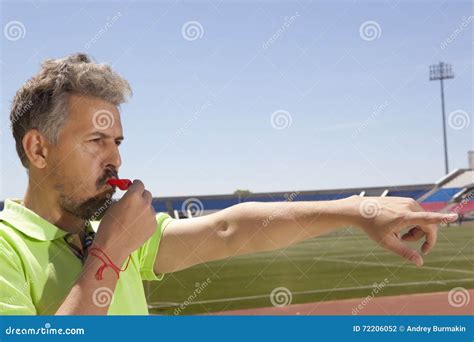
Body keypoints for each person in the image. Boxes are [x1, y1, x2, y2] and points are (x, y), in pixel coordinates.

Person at [0, 54, 458, 315]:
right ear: (38, 150)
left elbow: (229, 229)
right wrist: (110, 254)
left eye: (117, 141)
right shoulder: (8, 249)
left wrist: (357, 212)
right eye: (96, 141)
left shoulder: (105, 231)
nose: (116, 158)